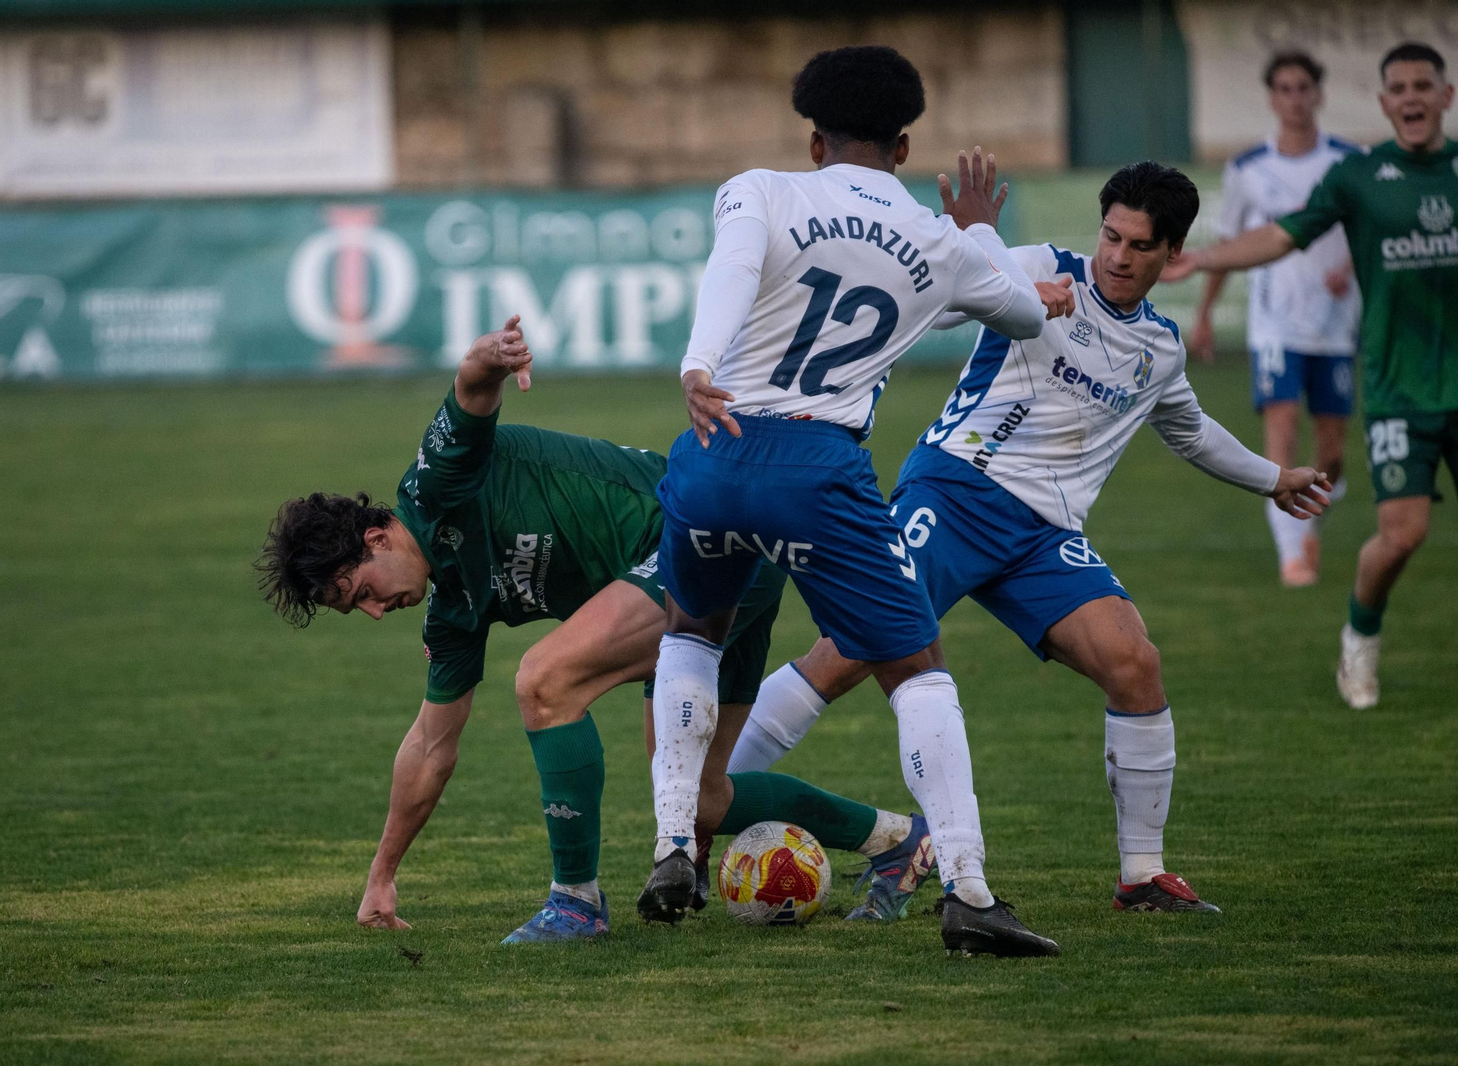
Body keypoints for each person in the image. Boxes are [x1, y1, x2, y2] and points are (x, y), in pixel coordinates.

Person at [727, 162, 1335, 914]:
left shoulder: (1160, 348)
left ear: (1171, 255)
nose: (1116, 254)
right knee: (845, 654)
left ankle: (1142, 875)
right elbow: (946, 298)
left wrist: (1272, 477)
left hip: (1044, 537)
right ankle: (700, 813)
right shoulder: (1045, 269)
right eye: (1110, 234)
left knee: (1135, 662)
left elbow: (1191, 432)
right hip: (954, 491)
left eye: (1139, 245)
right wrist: (971, 240)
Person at [255, 317, 935, 944]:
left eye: (360, 592)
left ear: (376, 538)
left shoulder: (433, 488)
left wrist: (491, 357)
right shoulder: (452, 609)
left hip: (696, 535)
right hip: (728, 568)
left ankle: (575, 901)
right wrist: (381, 873)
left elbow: (470, 390)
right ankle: (897, 841)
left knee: (546, 679)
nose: (375, 611)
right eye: (357, 611)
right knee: (700, 798)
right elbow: (431, 745)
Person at [643, 45, 1060, 957]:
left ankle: (675, 843)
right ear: (905, 147)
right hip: (819, 462)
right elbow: (1027, 315)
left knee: (690, 631)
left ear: (813, 137)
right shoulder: (941, 243)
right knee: (917, 666)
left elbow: (733, 269)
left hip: (718, 444)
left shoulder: (762, 187)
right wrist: (980, 231)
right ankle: (971, 893)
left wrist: (698, 366)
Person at [1165, 42, 1456, 710]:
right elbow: (1279, 234)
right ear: (1383, 104)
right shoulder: (1359, 178)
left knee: (1327, 450)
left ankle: (1308, 534)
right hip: (1397, 389)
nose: (1410, 97)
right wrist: (1205, 261)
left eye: (1423, 85)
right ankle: (1357, 635)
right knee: (1403, 536)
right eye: (1398, 88)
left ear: (1446, 96)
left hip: (1342, 336)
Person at [1189, 50, 1360, 587]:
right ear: (1271, 98)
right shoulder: (1247, 169)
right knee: (1281, 436)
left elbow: (1371, 228)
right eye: (1283, 88)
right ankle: (1292, 555)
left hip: (1335, 327)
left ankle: (1310, 522)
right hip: (1275, 328)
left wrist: (1350, 265)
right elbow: (1231, 244)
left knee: (1332, 453)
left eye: (1303, 87)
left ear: (1318, 94)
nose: (1294, 98)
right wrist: (1205, 313)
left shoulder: (1349, 162)